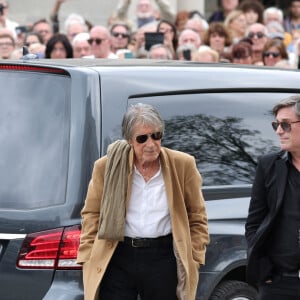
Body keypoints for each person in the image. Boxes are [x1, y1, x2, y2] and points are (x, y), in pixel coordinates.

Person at [77, 103, 209, 300]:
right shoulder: (106, 167)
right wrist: (88, 255)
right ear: (129, 140)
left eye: (156, 136)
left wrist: (194, 255)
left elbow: (197, 215)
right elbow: (91, 214)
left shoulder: (183, 165)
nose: (151, 143)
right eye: (142, 138)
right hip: (118, 255)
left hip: (163, 258)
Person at [245, 95, 300, 300]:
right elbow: (254, 223)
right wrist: (264, 268)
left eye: (285, 125)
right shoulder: (268, 166)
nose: (278, 131)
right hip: (278, 282)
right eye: (276, 124)